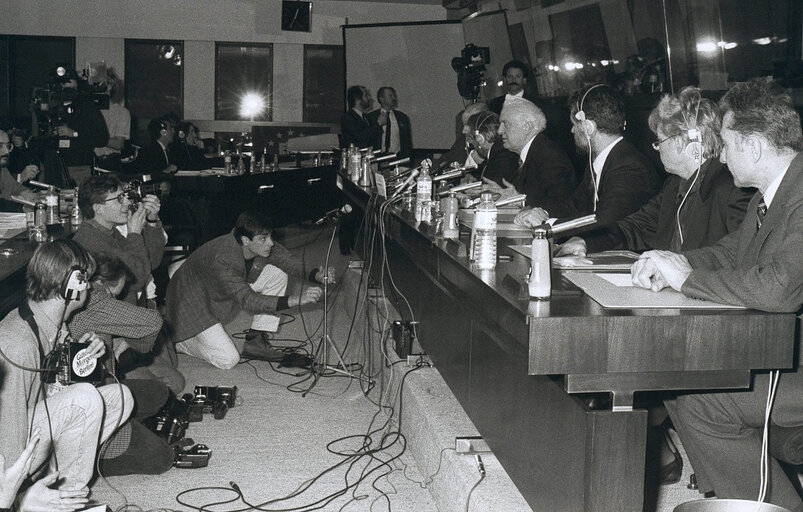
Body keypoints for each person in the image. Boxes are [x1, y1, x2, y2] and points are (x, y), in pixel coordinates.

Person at [631, 78, 803, 512]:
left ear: (754, 145)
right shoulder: (775, 192)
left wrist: (685, 280)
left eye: (726, 144)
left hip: (797, 364)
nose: (720, 155)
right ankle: (731, 495)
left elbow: (778, 287)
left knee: (700, 396)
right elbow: (732, 253)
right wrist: (673, 263)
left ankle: (762, 503)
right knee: (677, 374)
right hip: (788, 349)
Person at [0, 240, 133, 508]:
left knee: (122, 397)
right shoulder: (18, 343)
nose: (91, 286)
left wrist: (85, 355)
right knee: (85, 398)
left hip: (29, 428)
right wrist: (15, 497)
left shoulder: (51, 322)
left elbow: (56, 390)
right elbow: (8, 429)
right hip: (6, 454)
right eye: (87, 278)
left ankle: (56, 480)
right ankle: (61, 501)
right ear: (72, 285)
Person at [558, 86, 753, 256]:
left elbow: (735, 254)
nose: (657, 148)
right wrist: (586, 242)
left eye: (659, 141)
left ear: (678, 142)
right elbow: (635, 227)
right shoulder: (674, 186)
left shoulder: (733, 189)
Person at [165, 211, 329, 369]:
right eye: (264, 238)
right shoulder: (223, 258)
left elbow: (289, 261)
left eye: (270, 236)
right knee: (228, 360)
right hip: (190, 300)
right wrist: (296, 300)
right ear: (245, 240)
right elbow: (248, 300)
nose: (270, 243)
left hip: (218, 288)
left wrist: (316, 275)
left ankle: (255, 342)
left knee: (277, 273)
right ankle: (178, 342)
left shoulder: (256, 243)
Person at [72, 174, 183, 393]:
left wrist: (151, 223)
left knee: (174, 375)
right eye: (118, 199)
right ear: (98, 208)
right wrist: (134, 233)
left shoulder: (108, 231)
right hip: (112, 327)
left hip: (130, 317)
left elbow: (150, 261)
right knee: (169, 387)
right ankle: (114, 381)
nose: (127, 203)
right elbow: (138, 277)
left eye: (124, 196)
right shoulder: (90, 240)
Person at [68, 253, 173, 476]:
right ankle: (87, 462)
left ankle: (127, 429)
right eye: (113, 295)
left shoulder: (82, 300)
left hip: (99, 390)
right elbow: (153, 322)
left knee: (159, 392)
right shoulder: (96, 299)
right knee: (162, 457)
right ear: (97, 284)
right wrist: (133, 342)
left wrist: (119, 339)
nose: (113, 302)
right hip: (87, 409)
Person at [515, 85, 659, 228]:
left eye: (574, 124)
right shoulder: (602, 160)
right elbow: (574, 206)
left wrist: (546, 223)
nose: (572, 130)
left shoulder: (630, 167)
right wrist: (540, 212)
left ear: (588, 128)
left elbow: (607, 223)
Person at [494, 98, 576, 206]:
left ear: (527, 127)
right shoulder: (529, 153)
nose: (500, 131)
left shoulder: (549, 156)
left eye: (506, 124)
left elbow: (562, 204)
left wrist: (521, 201)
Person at [52, 67, 109, 186]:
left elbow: (102, 138)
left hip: (79, 166)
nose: (65, 86)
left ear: (76, 83)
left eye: (68, 81)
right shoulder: (52, 105)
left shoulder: (87, 106)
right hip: (54, 166)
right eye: (61, 83)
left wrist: (74, 133)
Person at [464, 111, 519, 187]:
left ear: (481, 138)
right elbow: (481, 171)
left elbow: (490, 189)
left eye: (470, 138)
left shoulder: (503, 157)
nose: (470, 143)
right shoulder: (497, 152)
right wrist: (471, 176)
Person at [433, 102, 489, 172]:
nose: (463, 131)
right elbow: (442, 162)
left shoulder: (494, 149)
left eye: (468, 125)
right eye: (463, 125)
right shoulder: (461, 143)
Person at [94, 77, 131, 168]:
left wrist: (92, 137)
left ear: (109, 86)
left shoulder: (121, 112)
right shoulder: (86, 110)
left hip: (108, 162)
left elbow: (119, 144)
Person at [367, 87, 412, 158]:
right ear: (381, 99)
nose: (393, 98)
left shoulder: (402, 117)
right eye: (390, 95)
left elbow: (407, 142)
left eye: (394, 95)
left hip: (398, 158)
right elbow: (369, 138)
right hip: (378, 158)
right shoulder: (371, 117)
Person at [0, 130, 39, 204]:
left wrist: (26, 193)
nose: (6, 151)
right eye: (0, 146)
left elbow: (16, 187)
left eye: (8, 146)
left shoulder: (3, 169)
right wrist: (15, 199)